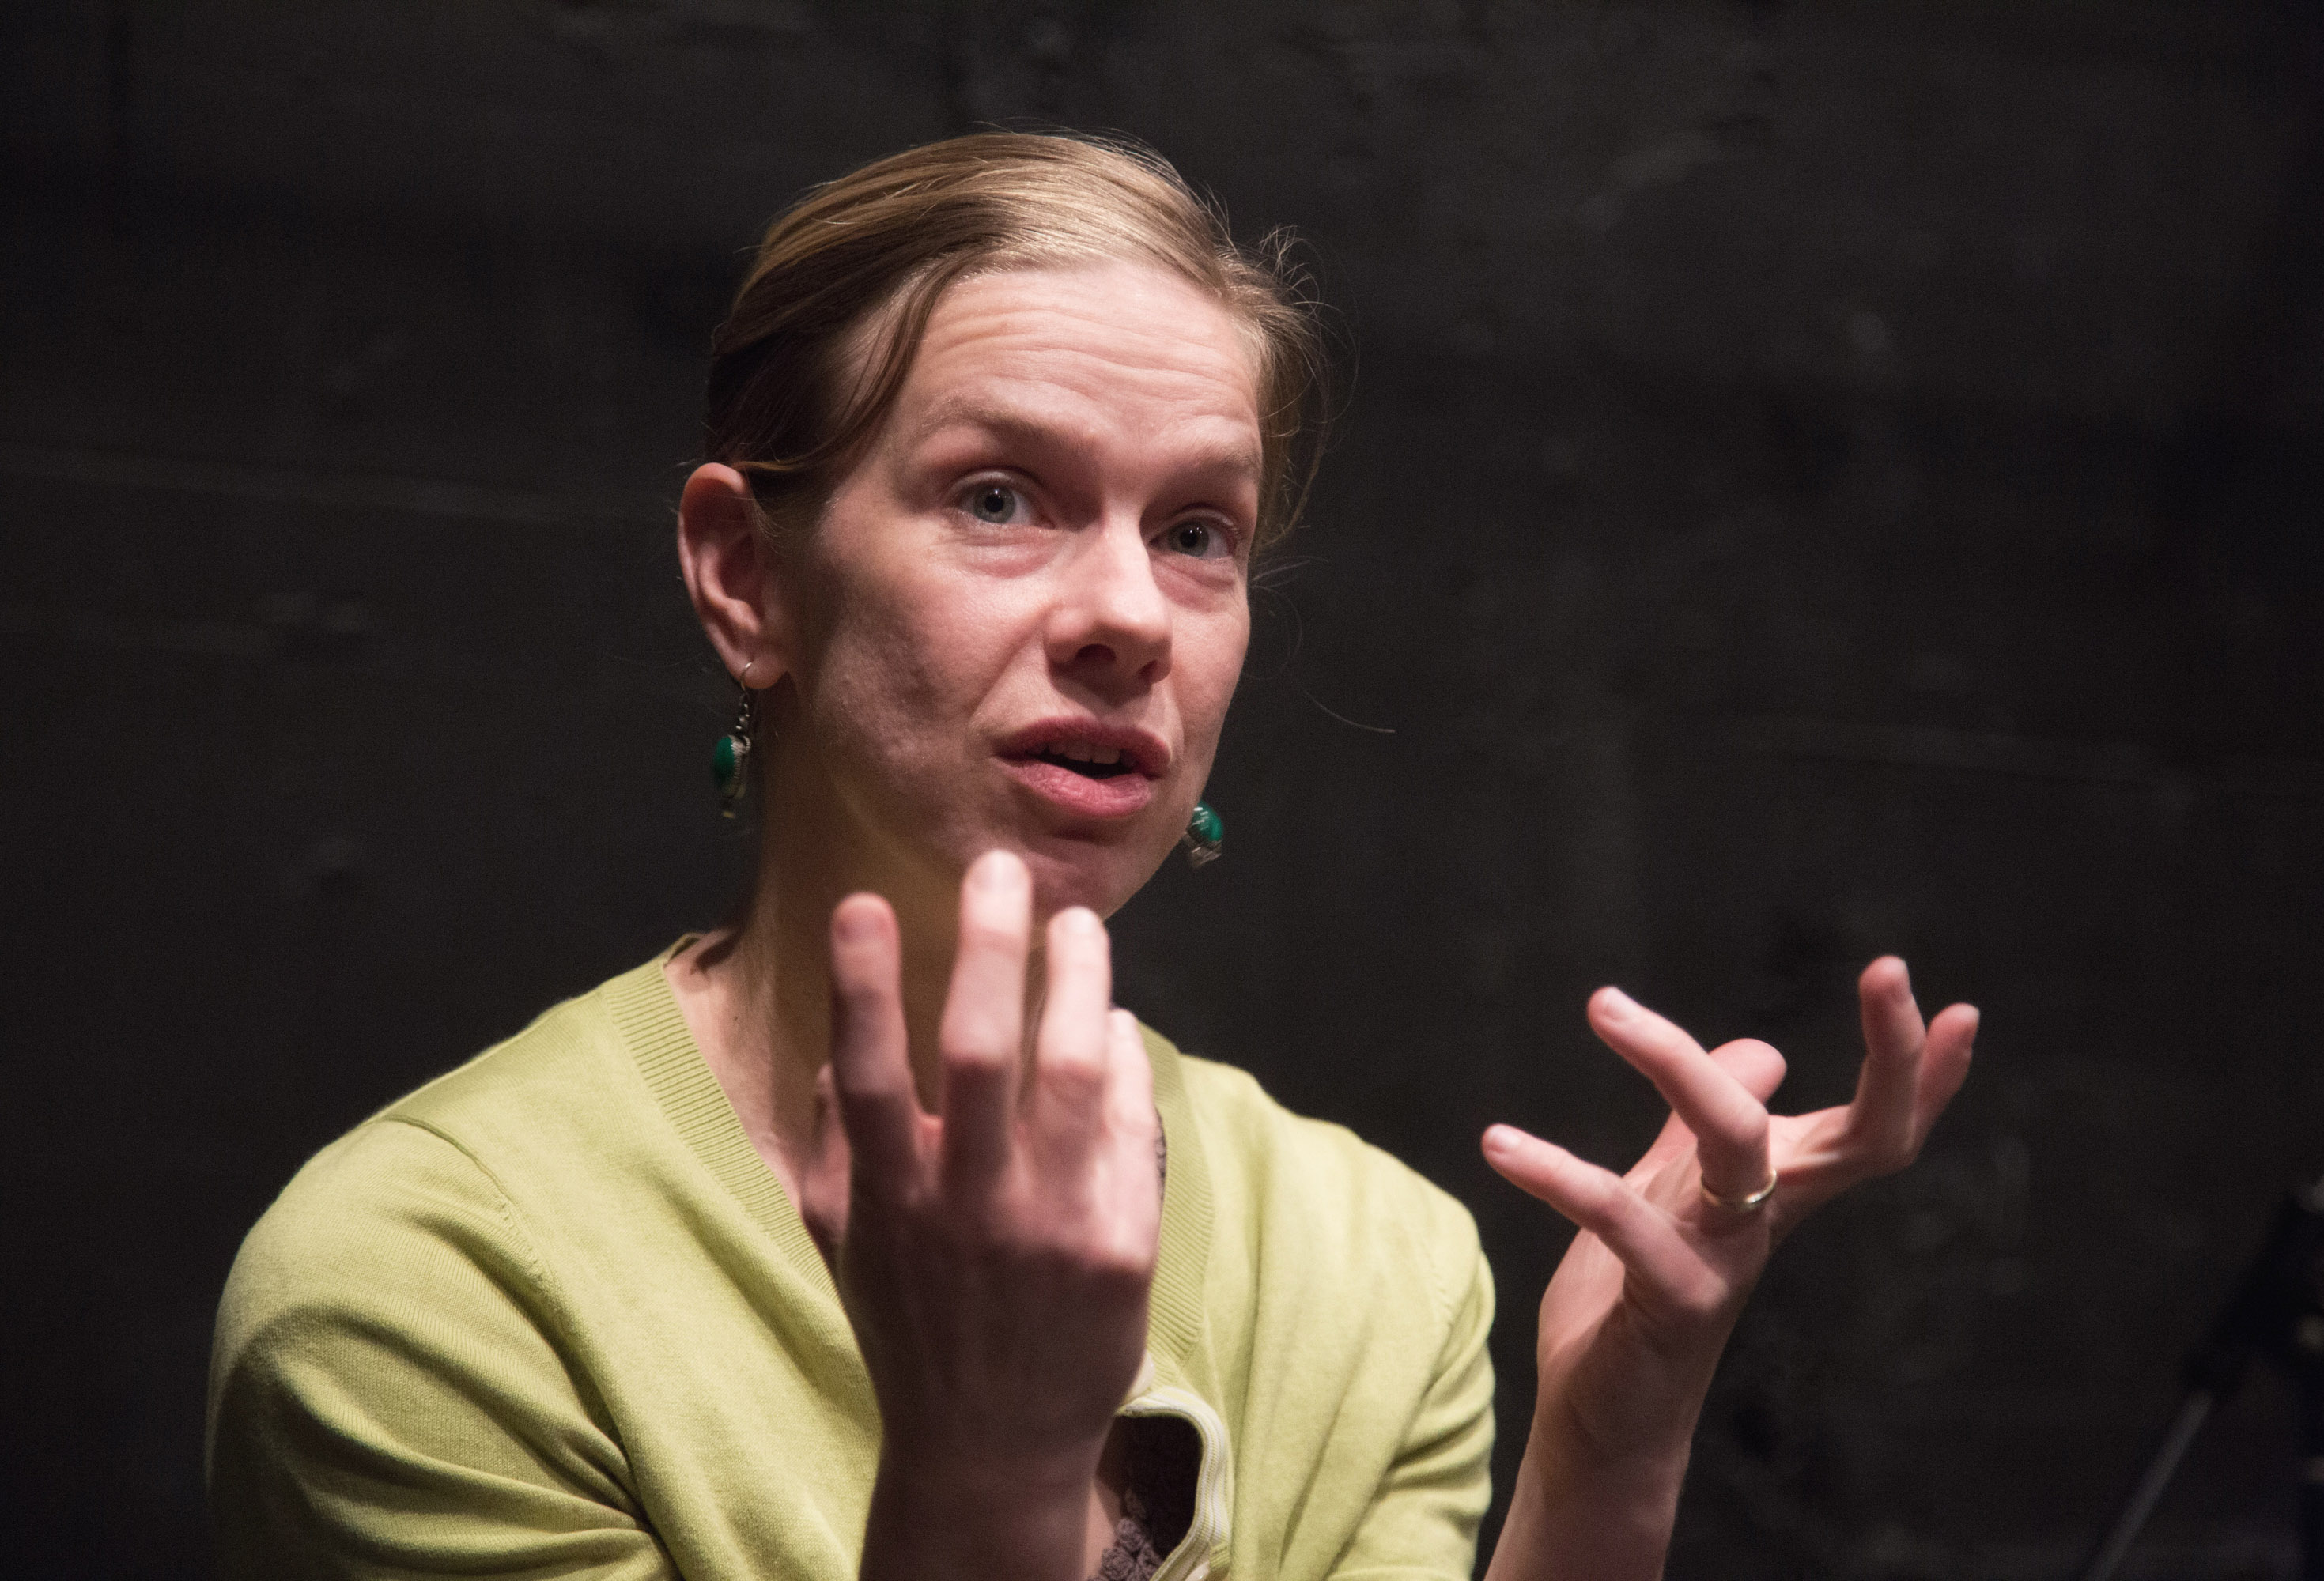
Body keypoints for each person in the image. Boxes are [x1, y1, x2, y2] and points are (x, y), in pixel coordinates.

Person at [208, 131, 1978, 1581]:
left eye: (1199, 531)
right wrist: (991, 1464)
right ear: (748, 579)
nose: (1132, 614)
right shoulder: (426, 1289)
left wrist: (1603, 1464)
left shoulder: (1367, 1263)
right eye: (1000, 497)